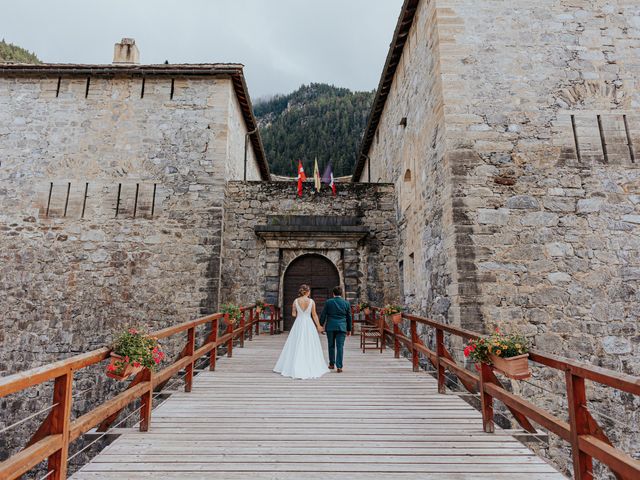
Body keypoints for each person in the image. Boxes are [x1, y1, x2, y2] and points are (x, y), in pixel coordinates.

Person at [273, 284, 329, 379]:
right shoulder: (311, 301)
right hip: (308, 323)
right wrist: (318, 326)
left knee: (296, 342)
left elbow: (294, 314)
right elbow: (314, 315)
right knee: (309, 343)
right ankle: (309, 362)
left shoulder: (295, 301)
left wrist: (297, 311)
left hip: (299, 323)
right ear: (308, 292)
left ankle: (295, 364)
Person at [320, 286, 352, 373]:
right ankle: (339, 366)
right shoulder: (346, 303)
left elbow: (323, 314)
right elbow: (349, 317)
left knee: (331, 346)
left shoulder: (328, 302)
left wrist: (320, 325)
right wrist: (349, 329)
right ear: (341, 293)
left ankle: (331, 364)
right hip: (342, 327)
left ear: (333, 293)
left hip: (330, 327)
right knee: (340, 346)